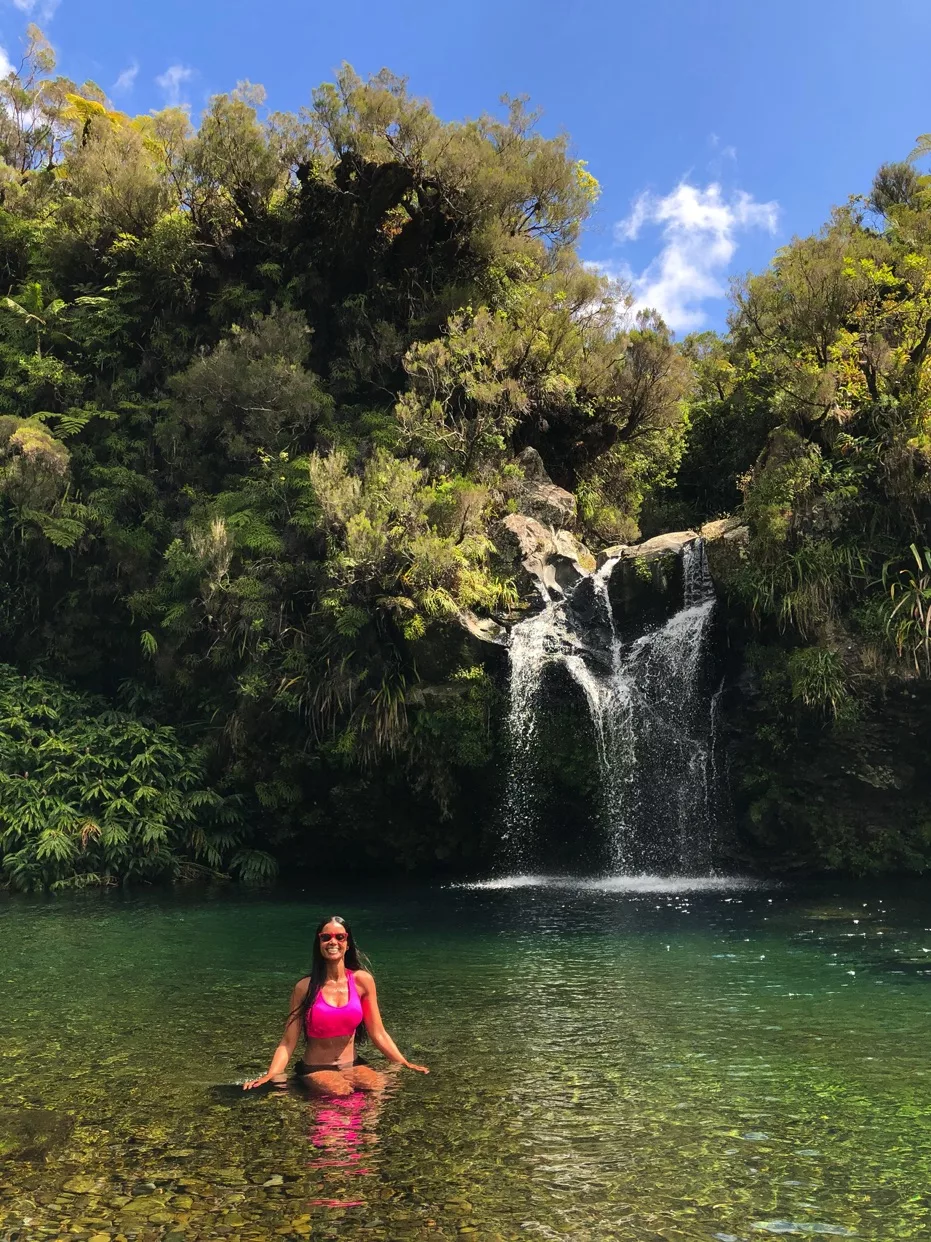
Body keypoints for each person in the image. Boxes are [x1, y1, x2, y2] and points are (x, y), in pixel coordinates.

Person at [243, 915, 429, 1096]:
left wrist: (404, 1063)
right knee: (340, 1091)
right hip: (316, 1068)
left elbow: (378, 1032)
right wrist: (272, 1074)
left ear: (348, 944)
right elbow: (288, 1041)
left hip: (353, 1064)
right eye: (326, 937)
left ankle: (369, 1129)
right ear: (319, 943)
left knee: (379, 1088)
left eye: (340, 937)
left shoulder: (362, 981)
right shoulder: (304, 987)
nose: (333, 942)